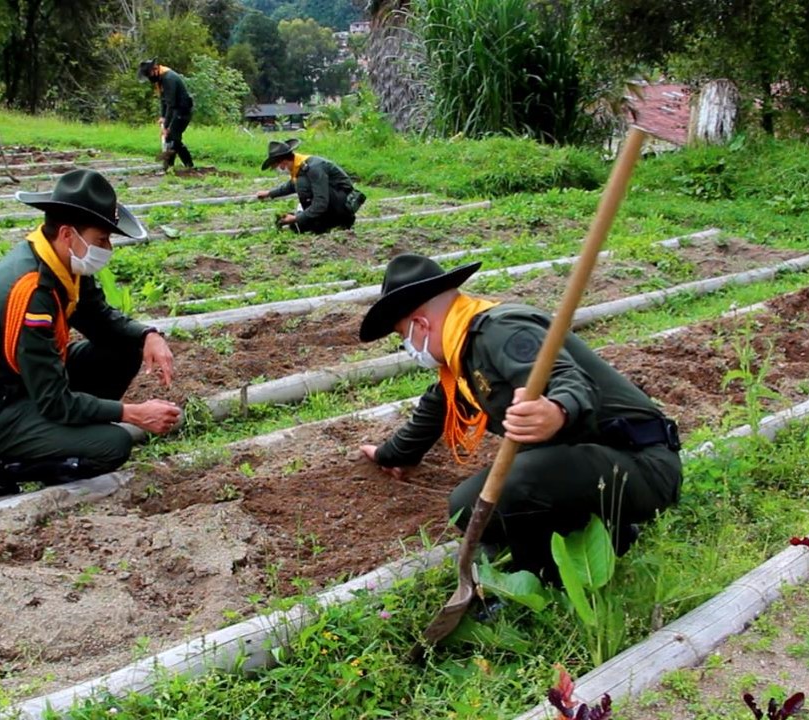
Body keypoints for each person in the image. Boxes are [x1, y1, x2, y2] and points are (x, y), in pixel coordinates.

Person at [356, 254, 683, 578]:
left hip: (640, 465)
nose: (408, 347)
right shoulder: (462, 359)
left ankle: (545, 578)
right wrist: (391, 455)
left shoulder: (503, 330)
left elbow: (570, 380)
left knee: (497, 492)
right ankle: (612, 534)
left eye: (403, 337)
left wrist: (557, 411)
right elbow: (434, 410)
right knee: (474, 509)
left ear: (421, 324)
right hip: (591, 464)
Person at [0, 169, 183, 500]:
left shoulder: (61, 262)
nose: (107, 248)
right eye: (102, 240)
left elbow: (98, 318)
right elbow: (54, 400)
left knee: (124, 347)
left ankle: (61, 435)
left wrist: (147, 335)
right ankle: (1, 464)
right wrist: (133, 413)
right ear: (69, 234)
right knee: (112, 445)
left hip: (25, 383)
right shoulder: (32, 293)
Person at [257, 139, 365, 234]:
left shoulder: (313, 168)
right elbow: (292, 184)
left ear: (283, 162)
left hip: (341, 205)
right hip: (330, 203)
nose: (278, 169)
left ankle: (336, 222)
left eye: (276, 166)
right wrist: (269, 193)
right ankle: (320, 223)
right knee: (298, 226)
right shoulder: (299, 167)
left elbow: (321, 202)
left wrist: (296, 218)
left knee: (303, 187)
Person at [137, 59, 194, 170]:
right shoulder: (161, 79)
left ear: (155, 69)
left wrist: (167, 126)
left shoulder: (169, 79)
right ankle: (180, 165)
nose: (149, 78)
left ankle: (172, 166)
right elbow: (163, 100)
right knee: (173, 138)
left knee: (172, 137)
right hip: (175, 110)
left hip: (182, 111)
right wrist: (163, 117)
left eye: (149, 75)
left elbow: (171, 104)